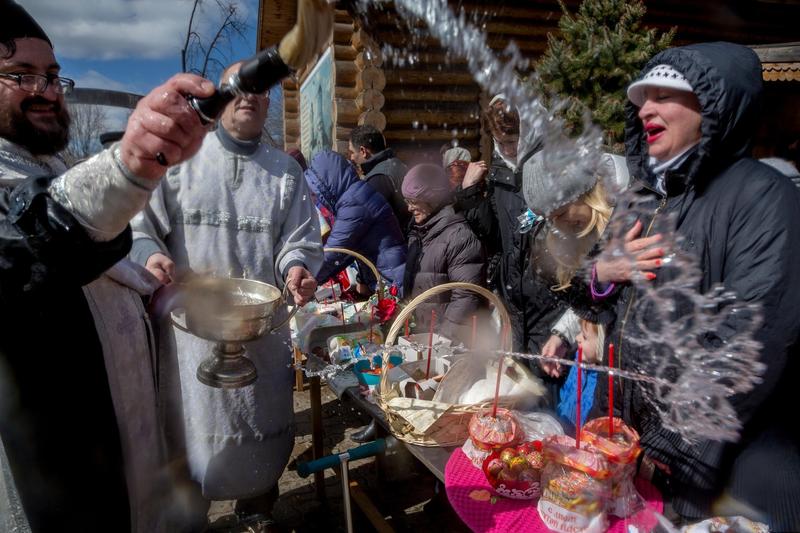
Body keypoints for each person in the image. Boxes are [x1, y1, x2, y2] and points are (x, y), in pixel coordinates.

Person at [0, 1, 214, 530]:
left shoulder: (53, 164)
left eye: (51, 75)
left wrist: (147, 273)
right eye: (19, 75)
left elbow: (105, 246)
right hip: (59, 482)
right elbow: (36, 239)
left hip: (129, 463)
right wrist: (130, 163)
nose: (45, 90)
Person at [592, 42, 800, 530]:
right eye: (643, 97)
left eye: (665, 95)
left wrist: (672, 442)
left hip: (722, 466)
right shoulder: (642, 197)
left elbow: (753, 339)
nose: (646, 107)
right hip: (637, 444)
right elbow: (597, 292)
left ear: (715, 103)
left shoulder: (762, 197)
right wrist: (603, 274)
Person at [130, 61, 323, 529]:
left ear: (269, 101)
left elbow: (298, 240)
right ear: (221, 96)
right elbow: (140, 226)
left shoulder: (284, 173)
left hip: (262, 334)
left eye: (262, 90)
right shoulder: (182, 162)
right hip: (191, 335)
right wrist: (151, 254)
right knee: (191, 449)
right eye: (241, 87)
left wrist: (296, 268)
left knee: (256, 439)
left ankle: (258, 514)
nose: (251, 97)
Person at [455, 96, 566, 368]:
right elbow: (496, 235)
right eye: (500, 142)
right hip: (513, 297)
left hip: (550, 299)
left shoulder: (554, 166)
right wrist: (469, 194)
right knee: (517, 383)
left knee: (548, 381)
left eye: (512, 140)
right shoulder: (501, 169)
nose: (507, 149)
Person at [401, 163, 485, 341]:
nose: (409, 208)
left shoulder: (458, 236)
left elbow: (466, 296)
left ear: (432, 199)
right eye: (407, 202)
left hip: (446, 343)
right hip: (424, 337)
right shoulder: (419, 232)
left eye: (413, 202)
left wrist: (443, 341)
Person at [305, 149, 406, 293]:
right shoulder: (354, 196)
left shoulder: (354, 202)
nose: (316, 196)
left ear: (325, 183)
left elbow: (336, 250)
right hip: (388, 277)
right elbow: (346, 252)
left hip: (393, 281)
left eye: (315, 191)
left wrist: (305, 280)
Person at [348, 125, 410, 231]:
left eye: (352, 152)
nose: (351, 157)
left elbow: (370, 222)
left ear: (363, 151)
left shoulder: (377, 179)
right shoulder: (398, 164)